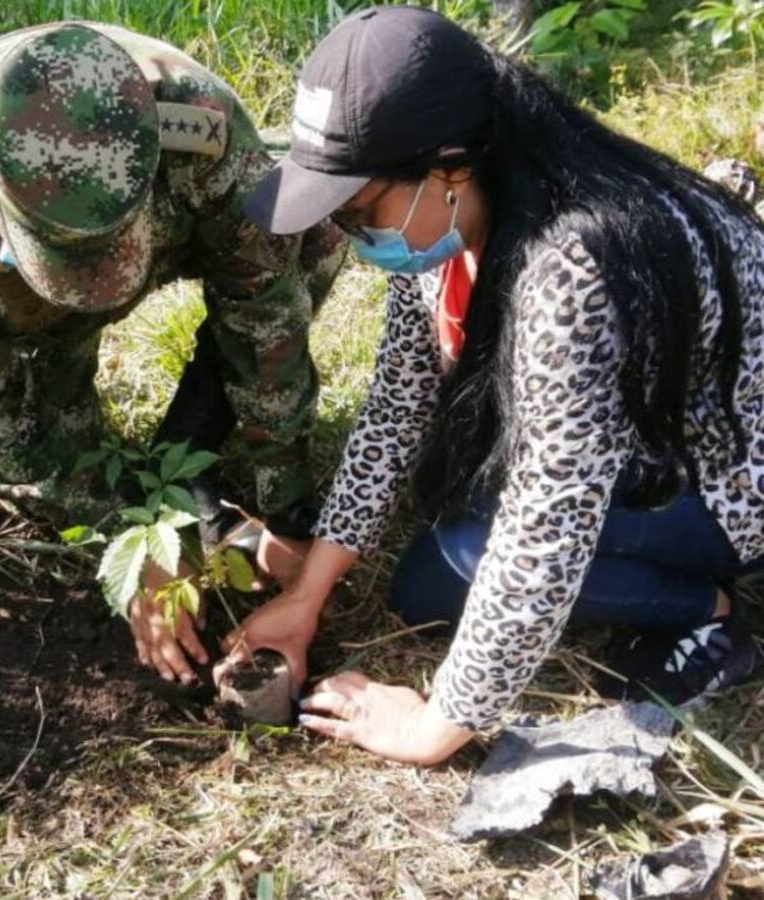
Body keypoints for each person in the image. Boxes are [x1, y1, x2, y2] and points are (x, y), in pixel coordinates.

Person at [220, 6, 764, 765]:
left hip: (731, 480)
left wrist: (436, 725)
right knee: (429, 575)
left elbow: (550, 516)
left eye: (358, 209)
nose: (349, 234)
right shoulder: (447, 222)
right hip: (651, 440)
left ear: (450, 168)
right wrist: (306, 596)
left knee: (465, 552)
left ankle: (707, 616)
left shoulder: (574, 265)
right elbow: (398, 403)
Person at [0, 23, 346, 684]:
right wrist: (134, 543)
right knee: (53, 428)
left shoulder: (194, 124)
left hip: (174, 224)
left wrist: (283, 504)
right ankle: (147, 479)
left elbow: (264, 304)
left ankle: (191, 447)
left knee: (315, 234)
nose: (103, 286)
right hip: (24, 316)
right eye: (72, 261)